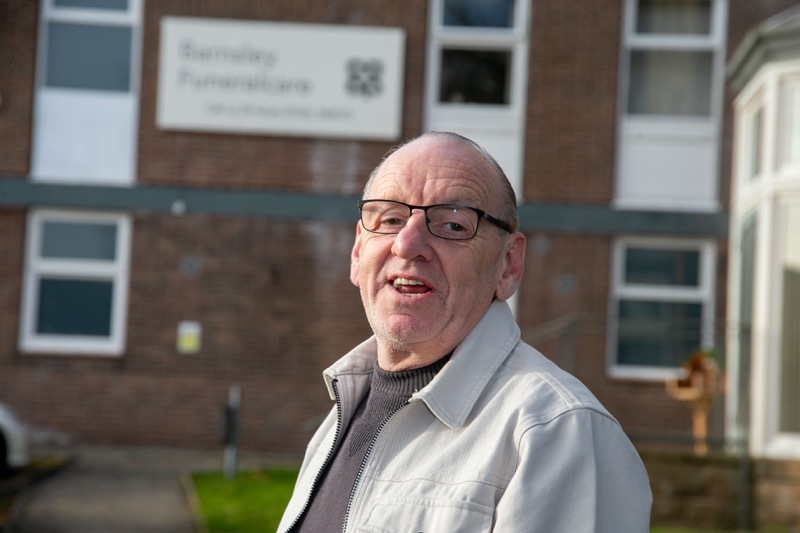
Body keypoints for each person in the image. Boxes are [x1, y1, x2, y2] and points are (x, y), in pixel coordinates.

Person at [278, 131, 652, 532]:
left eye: (453, 225)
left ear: (509, 264)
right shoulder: (343, 414)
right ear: (357, 252)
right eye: (389, 219)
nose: (407, 244)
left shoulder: (557, 431)